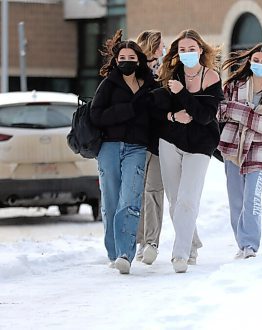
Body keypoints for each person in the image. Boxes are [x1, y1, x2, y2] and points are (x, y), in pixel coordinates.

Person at [152, 29, 223, 273]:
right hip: (170, 141)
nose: (187, 53)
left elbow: (204, 116)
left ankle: (179, 254)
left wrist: (181, 93)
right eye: (182, 50)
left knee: (187, 199)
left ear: (201, 50)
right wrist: (172, 115)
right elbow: (153, 109)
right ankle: (191, 243)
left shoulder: (212, 77)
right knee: (174, 201)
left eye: (191, 49)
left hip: (201, 145)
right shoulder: (171, 75)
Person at [90, 30, 156, 274]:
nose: (126, 61)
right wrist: (126, 110)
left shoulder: (149, 85)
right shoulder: (108, 84)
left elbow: (155, 116)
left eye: (131, 57)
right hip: (108, 147)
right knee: (110, 201)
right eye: (121, 58)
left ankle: (125, 254)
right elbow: (97, 116)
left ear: (138, 59)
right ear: (116, 61)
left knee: (129, 200)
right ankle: (113, 251)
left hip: (137, 149)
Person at [217, 43, 262, 259]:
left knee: (252, 198)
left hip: (259, 151)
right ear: (250, 61)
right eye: (256, 60)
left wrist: (237, 110)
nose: (259, 64)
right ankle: (241, 243)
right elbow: (220, 111)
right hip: (232, 147)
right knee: (236, 199)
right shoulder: (234, 85)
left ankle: (250, 245)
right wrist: (251, 115)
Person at [134, 30, 165, 265]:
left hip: (159, 143)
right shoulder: (135, 74)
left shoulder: (166, 72)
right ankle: (140, 241)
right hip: (137, 142)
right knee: (138, 193)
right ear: (153, 47)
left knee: (153, 191)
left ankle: (151, 242)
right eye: (161, 46)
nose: (163, 50)